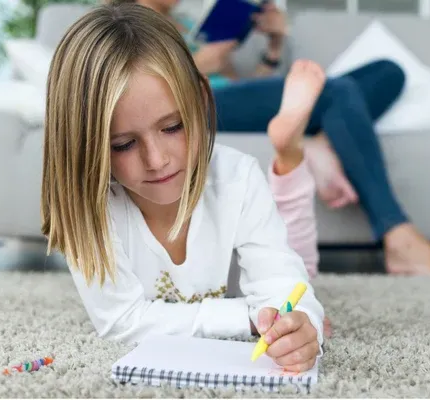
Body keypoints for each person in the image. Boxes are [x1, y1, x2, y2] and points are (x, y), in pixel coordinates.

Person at [41, 3, 328, 372]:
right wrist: (248, 316)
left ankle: (290, 155)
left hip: (257, 246)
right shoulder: (87, 203)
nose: (157, 160)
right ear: (84, 146)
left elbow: (285, 287)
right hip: (246, 308)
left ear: (202, 99)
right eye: (123, 144)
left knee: (306, 267)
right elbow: (121, 322)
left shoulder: (236, 176)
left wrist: (301, 326)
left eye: (173, 127)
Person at [108, 0, 430, 276]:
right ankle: (399, 238)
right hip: (193, 108)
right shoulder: (127, 29)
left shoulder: (187, 25)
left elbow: (242, 89)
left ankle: (320, 137)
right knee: (336, 92)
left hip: (225, 101)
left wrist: (272, 46)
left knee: (385, 73)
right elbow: (143, 96)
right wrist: (201, 62)